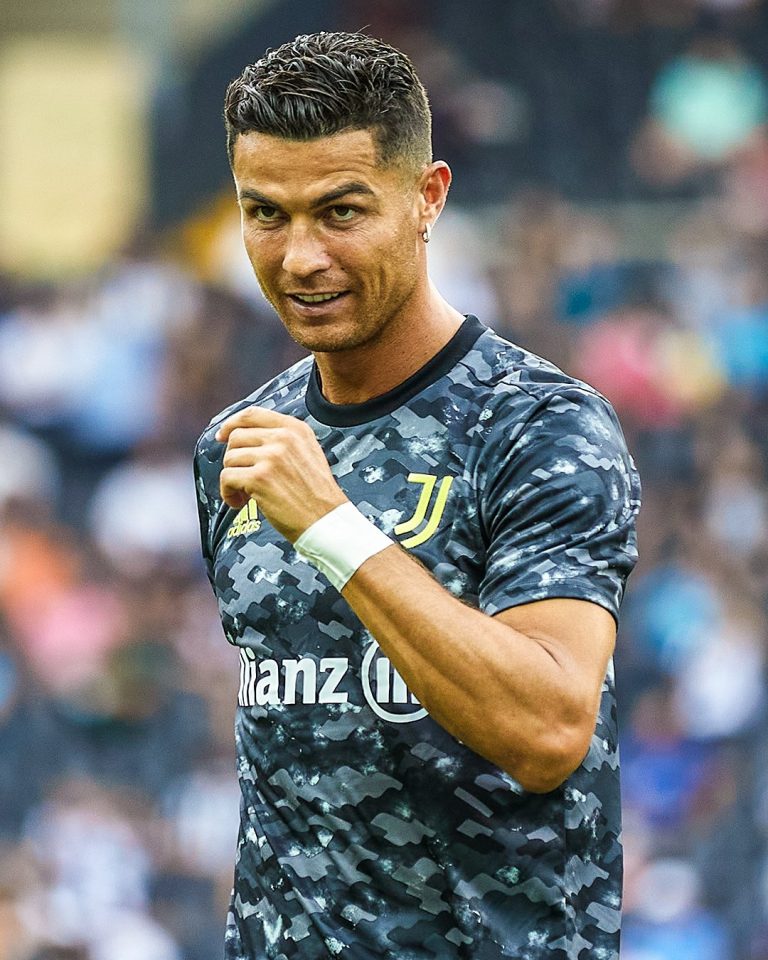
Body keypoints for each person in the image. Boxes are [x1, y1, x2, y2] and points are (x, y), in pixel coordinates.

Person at [194, 30, 641, 960]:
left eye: (341, 212)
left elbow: (549, 728)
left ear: (428, 197)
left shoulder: (537, 427)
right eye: (266, 213)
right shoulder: (236, 449)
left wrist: (332, 527)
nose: (301, 256)